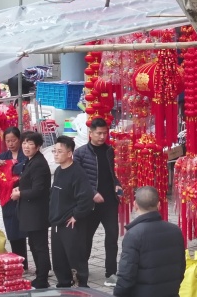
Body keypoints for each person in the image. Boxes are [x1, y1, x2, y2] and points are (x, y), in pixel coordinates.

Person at [74, 117, 123, 287]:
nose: (102, 137)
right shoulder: (80, 153)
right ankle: (80, 271)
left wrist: (117, 185)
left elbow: (111, 174)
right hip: (91, 204)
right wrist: (92, 193)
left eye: (105, 133)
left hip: (109, 201)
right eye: (99, 133)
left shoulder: (109, 150)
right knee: (85, 238)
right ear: (90, 133)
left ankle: (111, 273)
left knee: (112, 238)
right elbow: (79, 179)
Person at [113, 186, 185, 297]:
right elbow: (181, 269)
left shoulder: (133, 234)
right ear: (159, 205)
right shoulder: (176, 231)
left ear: (135, 205)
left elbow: (126, 277)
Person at [50, 136, 95, 288]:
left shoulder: (77, 172)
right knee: (58, 257)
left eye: (59, 151)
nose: (56, 154)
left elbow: (87, 198)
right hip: (57, 221)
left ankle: (81, 285)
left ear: (69, 153)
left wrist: (76, 215)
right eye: (54, 151)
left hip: (71, 222)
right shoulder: (58, 171)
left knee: (75, 256)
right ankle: (63, 283)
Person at [0, 127, 28, 270]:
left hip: (25, 198)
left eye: (13, 140)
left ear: (19, 140)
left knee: (30, 233)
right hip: (8, 200)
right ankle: (19, 264)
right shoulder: (3, 156)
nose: (10, 143)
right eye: (8, 141)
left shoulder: (25, 155)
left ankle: (37, 265)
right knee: (14, 233)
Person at [11, 131, 52, 289]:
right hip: (30, 211)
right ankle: (40, 275)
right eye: (24, 143)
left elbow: (39, 190)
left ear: (38, 146)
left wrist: (20, 193)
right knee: (34, 244)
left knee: (40, 245)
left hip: (37, 212)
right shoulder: (30, 160)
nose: (26, 146)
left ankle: (42, 278)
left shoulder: (39, 164)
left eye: (30, 143)